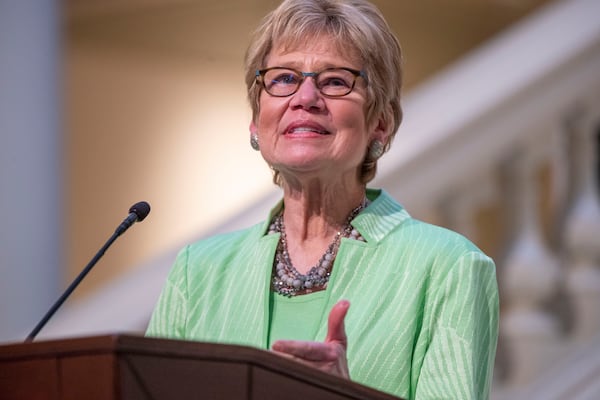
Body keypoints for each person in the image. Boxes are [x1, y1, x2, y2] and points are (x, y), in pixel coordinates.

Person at [146, 0, 499, 399]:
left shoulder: (448, 266)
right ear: (256, 120)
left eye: (334, 81)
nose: (306, 97)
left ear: (379, 123)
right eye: (282, 79)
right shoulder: (198, 272)